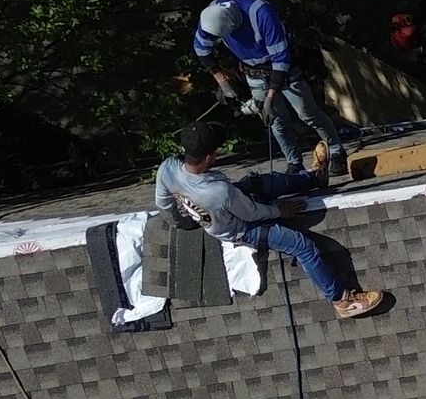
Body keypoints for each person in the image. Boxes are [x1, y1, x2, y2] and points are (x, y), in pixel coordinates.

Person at [154, 124, 385, 321]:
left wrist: (181, 222)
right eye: (215, 152)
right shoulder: (218, 191)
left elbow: (162, 203)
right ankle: (342, 301)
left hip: (229, 207)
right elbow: (252, 214)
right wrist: (279, 210)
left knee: (264, 183)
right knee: (303, 246)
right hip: (243, 228)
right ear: (207, 157)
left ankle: (315, 177)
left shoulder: (168, 169)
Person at [193, 0, 356, 175]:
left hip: (284, 69)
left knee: (308, 114)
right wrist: (223, 83)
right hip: (253, 72)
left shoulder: (261, 13)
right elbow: (201, 50)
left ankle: (337, 151)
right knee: (276, 121)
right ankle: (294, 163)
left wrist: (270, 96)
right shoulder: (210, 18)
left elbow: (281, 59)